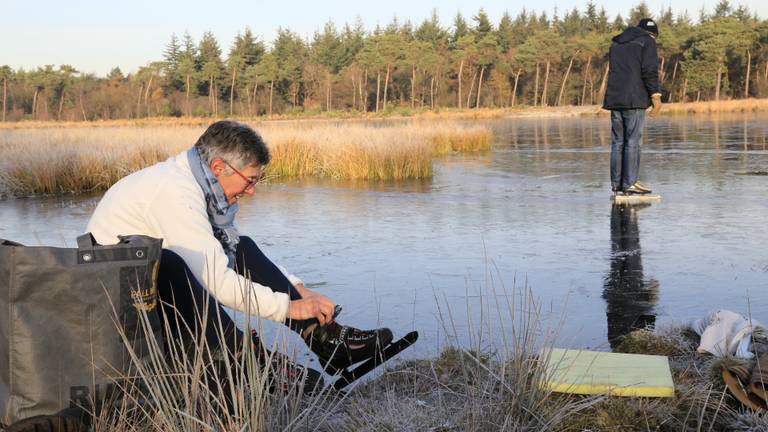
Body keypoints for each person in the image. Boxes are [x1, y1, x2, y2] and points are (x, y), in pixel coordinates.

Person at [86, 120, 392, 392]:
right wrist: (289, 307)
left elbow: (231, 252)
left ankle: (328, 342)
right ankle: (250, 362)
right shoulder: (176, 193)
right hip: (118, 301)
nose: (251, 192)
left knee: (240, 245)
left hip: (145, 284)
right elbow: (216, 280)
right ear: (219, 167)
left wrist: (299, 290)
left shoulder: (204, 187)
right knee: (172, 264)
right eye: (250, 180)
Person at [603, 18, 663, 195]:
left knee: (618, 142)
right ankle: (630, 183)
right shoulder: (647, 41)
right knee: (632, 142)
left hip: (614, 98)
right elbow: (649, 70)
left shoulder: (616, 43)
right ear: (652, 34)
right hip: (634, 99)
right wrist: (655, 97)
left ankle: (617, 184)